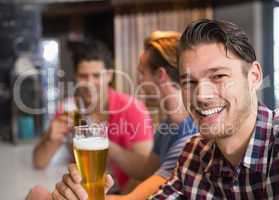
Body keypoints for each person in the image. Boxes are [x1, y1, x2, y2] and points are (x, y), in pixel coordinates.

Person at [27, 31, 198, 200]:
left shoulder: (190, 138)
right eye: (83, 76)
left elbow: (137, 192)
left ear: (160, 75)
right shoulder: (167, 128)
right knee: (38, 194)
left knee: (38, 195)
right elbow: (145, 171)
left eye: (141, 73)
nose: (137, 81)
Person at [149, 19, 279, 199]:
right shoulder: (193, 155)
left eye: (218, 76)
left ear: (254, 77)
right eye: (189, 82)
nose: (201, 96)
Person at [33, 40, 154, 191]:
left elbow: (145, 169)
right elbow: (39, 161)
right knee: (36, 192)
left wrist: (102, 144)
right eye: (83, 76)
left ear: (109, 76)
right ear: (76, 77)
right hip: (82, 190)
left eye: (97, 75)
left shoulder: (133, 108)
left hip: (122, 192)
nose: (90, 83)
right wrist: (50, 139)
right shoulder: (69, 109)